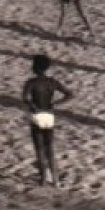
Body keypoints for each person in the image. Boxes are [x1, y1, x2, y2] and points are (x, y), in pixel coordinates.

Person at [22, 54, 72, 186]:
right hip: (49, 114)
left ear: (34, 67)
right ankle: (55, 178)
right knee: (49, 146)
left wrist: (33, 107)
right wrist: (55, 104)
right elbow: (69, 94)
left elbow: (25, 99)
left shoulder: (31, 83)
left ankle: (43, 178)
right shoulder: (52, 82)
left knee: (39, 147)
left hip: (37, 114)